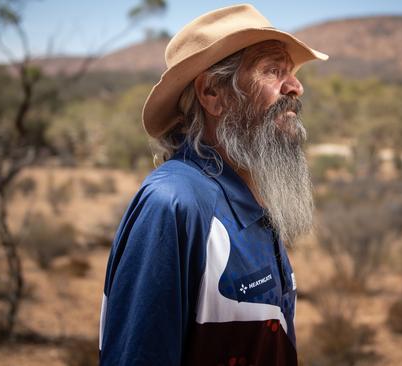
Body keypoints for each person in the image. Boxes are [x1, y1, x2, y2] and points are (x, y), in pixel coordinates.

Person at [98, 4, 327, 365]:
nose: (295, 87)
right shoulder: (174, 204)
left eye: (291, 73)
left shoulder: (253, 196)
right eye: (272, 70)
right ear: (212, 94)